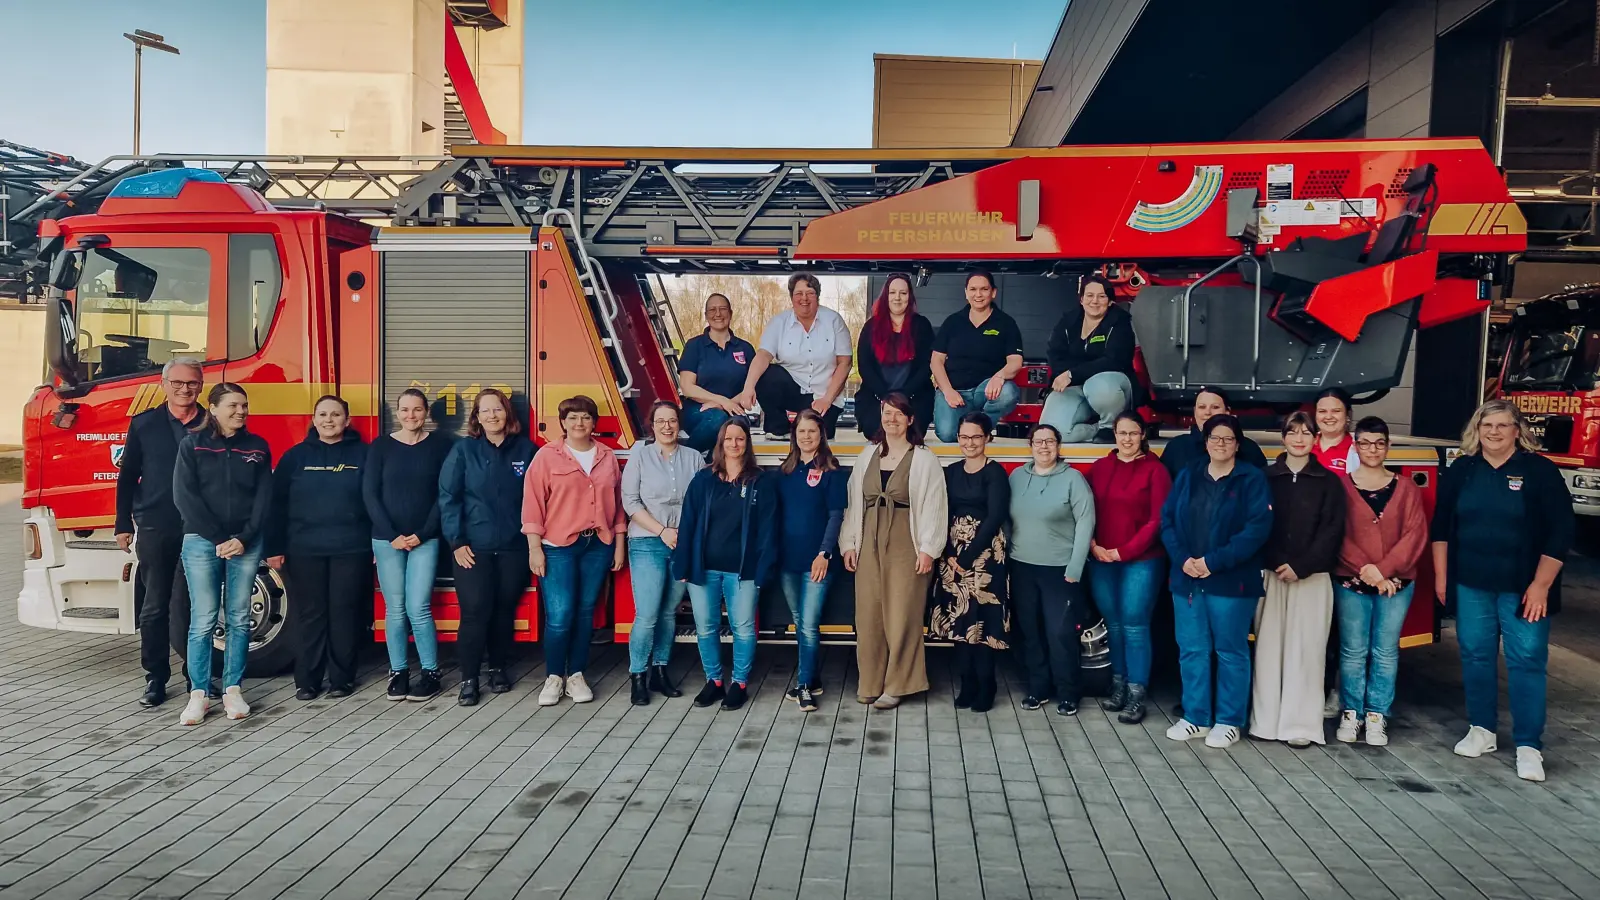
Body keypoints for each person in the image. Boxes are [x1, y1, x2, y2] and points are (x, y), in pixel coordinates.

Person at [1431, 399, 1573, 782]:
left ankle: (1529, 746)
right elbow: (1441, 528)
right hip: (1471, 584)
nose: (1493, 432)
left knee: (1526, 660)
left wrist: (1541, 585)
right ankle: (1482, 730)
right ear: (1476, 430)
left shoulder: (1540, 471)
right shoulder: (1462, 469)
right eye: (1486, 425)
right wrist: (1442, 578)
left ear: (1517, 430)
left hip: (1524, 590)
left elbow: (1561, 533)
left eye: (1502, 425)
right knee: (1475, 655)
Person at [1160, 413, 1273, 749]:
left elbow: (1256, 530)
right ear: (1205, 442)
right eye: (1214, 438)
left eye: (1227, 438)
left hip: (1231, 582)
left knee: (1230, 651)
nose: (1220, 444)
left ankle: (1228, 720)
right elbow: (1168, 521)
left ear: (1238, 444)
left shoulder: (1251, 479)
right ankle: (1195, 717)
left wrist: (1212, 562)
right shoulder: (1188, 475)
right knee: (1191, 650)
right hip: (1187, 579)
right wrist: (1184, 560)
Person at [172, 383, 272, 726]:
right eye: (232, 405)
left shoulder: (257, 447)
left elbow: (263, 498)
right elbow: (184, 497)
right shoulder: (193, 444)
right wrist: (217, 538)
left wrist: (243, 538)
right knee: (203, 619)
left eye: (244, 405)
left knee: (239, 618)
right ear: (212, 408)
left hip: (246, 542)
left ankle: (233, 689)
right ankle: (198, 695)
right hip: (202, 541)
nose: (240, 411)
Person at [841, 392, 947, 709]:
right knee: (869, 612)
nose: (892, 419)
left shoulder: (924, 458)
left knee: (902, 613)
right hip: (869, 537)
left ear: (910, 419)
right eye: (887, 413)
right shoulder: (868, 455)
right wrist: (849, 543)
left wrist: (929, 548)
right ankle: (870, 682)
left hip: (906, 539)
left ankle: (899, 683)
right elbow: (853, 501)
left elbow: (934, 505)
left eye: (899, 414)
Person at [522, 394, 628, 708]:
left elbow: (618, 505)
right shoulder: (547, 456)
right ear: (563, 423)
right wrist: (534, 548)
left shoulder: (607, 456)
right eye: (572, 418)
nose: (579, 423)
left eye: (585, 417)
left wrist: (618, 544)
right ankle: (554, 677)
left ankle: (577, 675)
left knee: (585, 613)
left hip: (597, 544)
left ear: (594, 422)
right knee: (560, 615)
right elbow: (532, 503)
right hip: (557, 546)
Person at [266, 395, 372, 702]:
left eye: (335, 415)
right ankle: (308, 681)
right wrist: (274, 547)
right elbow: (276, 506)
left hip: (351, 548)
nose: (329, 420)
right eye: (323, 414)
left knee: (344, 614)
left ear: (347, 420)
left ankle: (341, 679)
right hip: (304, 550)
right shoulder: (295, 457)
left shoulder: (363, 455)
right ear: (313, 420)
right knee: (311, 615)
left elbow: (374, 501)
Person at [1251, 412, 1345, 747]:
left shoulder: (1329, 482)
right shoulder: (1264, 478)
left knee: (1306, 652)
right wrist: (1277, 562)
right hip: (1271, 575)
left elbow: (1332, 531)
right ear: (1283, 438)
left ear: (1315, 439)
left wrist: (1301, 566)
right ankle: (1266, 723)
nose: (1300, 438)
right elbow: (1257, 524)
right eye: (1293, 432)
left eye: (1307, 433)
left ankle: (1300, 727)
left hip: (1313, 578)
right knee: (1269, 649)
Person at [114, 357, 205, 708]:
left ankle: (195, 678)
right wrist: (123, 523)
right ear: (164, 384)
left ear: (201, 385)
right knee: (154, 607)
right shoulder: (144, 424)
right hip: (155, 524)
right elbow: (127, 476)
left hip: (199, 528)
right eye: (178, 383)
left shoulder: (210, 425)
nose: (185, 390)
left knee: (192, 605)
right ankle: (155, 678)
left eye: (192, 384)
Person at [672, 418, 779, 711]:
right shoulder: (702, 480)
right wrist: (682, 564)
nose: (734, 444)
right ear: (720, 443)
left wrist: (763, 569)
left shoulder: (761, 481)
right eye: (728, 439)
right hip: (703, 569)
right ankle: (714, 681)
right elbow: (689, 523)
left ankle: (740, 683)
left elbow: (769, 529)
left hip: (743, 572)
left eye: (740, 438)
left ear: (747, 443)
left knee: (742, 628)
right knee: (705, 627)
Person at [1334, 416, 1427, 747]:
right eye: (1365, 443)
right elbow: (1338, 535)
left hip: (1396, 585)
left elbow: (1415, 535)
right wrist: (1367, 570)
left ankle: (1376, 714)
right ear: (1355, 446)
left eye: (1379, 443)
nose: (1372, 449)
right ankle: (1351, 712)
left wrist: (1384, 571)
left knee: (1385, 651)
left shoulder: (1406, 489)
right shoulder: (1341, 487)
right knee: (1353, 650)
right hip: (1351, 583)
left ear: (1388, 446)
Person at [439, 388, 536, 707]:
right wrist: (457, 541)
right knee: (475, 612)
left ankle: (498, 668)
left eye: (497, 409)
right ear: (476, 418)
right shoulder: (464, 451)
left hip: (513, 547)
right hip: (473, 548)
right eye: (485, 411)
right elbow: (448, 497)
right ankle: (469, 679)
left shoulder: (527, 450)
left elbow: (538, 499)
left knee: (503, 611)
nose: (492, 415)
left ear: (508, 414)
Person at [364, 387, 452, 703]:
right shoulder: (381, 447)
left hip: (424, 540)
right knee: (396, 609)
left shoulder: (440, 447)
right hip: (387, 541)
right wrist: (392, 536)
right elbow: (370, 495)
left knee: (418, 607)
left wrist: (424, 532)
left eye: (417, 409)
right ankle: (398, 671)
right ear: (397, 413)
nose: (410, 415)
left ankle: (430, 672)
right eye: (404, 410)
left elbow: (444, 495)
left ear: (426, 412)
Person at [1086, 411, 1171, 725]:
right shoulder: (1100, 468)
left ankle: (1137, 693)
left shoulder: (1155, 470)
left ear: (1143, 434)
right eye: (1121, 433)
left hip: (1142, 561)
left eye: (1133, 433)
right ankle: (1119, 685)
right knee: (1115, 624)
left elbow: (1157, 520)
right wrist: (1094, 545)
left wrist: (1124, 551)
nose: (1127, 439)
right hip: (1101, 559)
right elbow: (1084, 510)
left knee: (1135, 625)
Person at [1008, 423, 1096, 717]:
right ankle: (1038, 688)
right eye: (1038, 441)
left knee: (1059, 633)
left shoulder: (1074, 480)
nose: (1043, 446)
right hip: (1022, 566)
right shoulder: (1018, 477)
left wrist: (1075, 566)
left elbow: (1085, 523)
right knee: (1030, 632)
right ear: (1030, 446)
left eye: (1050, 441)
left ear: (1059, 446)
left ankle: (1068, 692)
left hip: (1060, 570)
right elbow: (1008, 519)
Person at [621, 400, 704, 705]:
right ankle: (638, 677)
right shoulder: (639, 457)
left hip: (683, 543)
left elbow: (699, 502)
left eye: (672, 420)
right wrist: (662, 530)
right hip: (647, 542)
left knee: (669, 612)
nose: (667, 426)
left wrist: (684, 534)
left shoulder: (694, 458)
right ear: (651, 425)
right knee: (647, 614)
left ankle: (660, 671)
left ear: (678, 424)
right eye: (660, 421)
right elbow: (630, 503)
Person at [929, 412, 1010, 713]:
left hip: (985, 556)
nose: (969, 442)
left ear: (988, 438)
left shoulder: (995, 473)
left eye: (976, 436)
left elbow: (994, 518)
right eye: (964, 437)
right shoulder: (950, 472)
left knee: (983, 622)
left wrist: (966, 556)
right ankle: (967, 683)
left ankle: (987, 684)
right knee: (959, 620)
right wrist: (949, 553)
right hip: (952, 555)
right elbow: (941, 511)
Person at [775, 409, 848, 712]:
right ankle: (813, 677)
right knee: (799, 622)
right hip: (787, 562)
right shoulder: (785, 471)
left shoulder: (831, 471)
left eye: (812, 431)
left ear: (821, 435)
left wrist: (824, 554)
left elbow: (836, 516)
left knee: (808, 626)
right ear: (794, 435)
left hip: (816, 562)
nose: (806, 437)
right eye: (801, 431)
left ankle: (804, 687)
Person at [735, 273, 852, 438]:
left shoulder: (834, 320)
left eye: (810, 293)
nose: (804, 298)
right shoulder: (778, 322)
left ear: (817, 296)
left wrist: (827, 399)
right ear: (791, 297)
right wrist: (748, 388)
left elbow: (845, 363)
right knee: (767, 373)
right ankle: (778, 428)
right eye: (799, 293)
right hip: (792, 389)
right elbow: (762, 355)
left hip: (824, 395)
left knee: (818, 437)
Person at [930, 271, 1024, 443]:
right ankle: (975, 427)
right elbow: (936, 361)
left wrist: (999, 377)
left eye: (984, 289)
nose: (978, 294)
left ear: (993, 292)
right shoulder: (952, 322)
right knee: (947, 435)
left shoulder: (1006, 323)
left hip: (986, 391)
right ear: (966, 292)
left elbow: (1015, 361)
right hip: (956, 393)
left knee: (1008, 392)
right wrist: (947, 391)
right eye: (973, 289)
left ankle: (981, 427)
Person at [1041, 275, 1136, 443]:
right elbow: (1055, 354)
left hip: (1110, 384)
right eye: (1090, 295)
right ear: (1082, 299)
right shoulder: (1068, 321)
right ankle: (1098, 429)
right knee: (1053, 433)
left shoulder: (1120, 322)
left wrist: (1072, 374)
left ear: (1110, 301)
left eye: (1102, 296)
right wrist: (1066, 376)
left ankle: (1109, 426)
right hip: (1075, 385)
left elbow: (1113, 360)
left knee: (1098, 384)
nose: (1095, 301)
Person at [855, 273, 935, 440]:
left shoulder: (922, 325)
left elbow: (926, 366)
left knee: (912, 435)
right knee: (874, 432)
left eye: (903, 293)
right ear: (886, 296)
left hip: (913, 395)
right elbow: (865, 366)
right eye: (892, 293)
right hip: (878, 394)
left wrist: (903, 397)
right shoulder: (871, 327)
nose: (897, 298)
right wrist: (886, 398)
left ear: (910, 296)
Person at [677, 293, 757, 452]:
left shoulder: (745, 348)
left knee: (737, 429)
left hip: (734, 409)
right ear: (706, 315)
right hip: (698, 410)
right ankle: (684, 461)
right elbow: (687, 387)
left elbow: (752, 386)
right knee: (717, 419)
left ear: (731, 313)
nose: (718, 314)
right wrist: (722, 402)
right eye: (712, 310)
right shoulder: (694, 346)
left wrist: (725, 404)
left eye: (723, 309)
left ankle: (712, 469)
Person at [1159, 388, 1268, 478]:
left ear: (1227, 411)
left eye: (1215, 407)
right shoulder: (1176, 447)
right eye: (1202, 407)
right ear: (1194, 411)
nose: (1207, 412)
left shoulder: (1249, 448)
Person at [1311, 388, 1360, 475]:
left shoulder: (1358, 449)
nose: (1329, 416)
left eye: (1336, 411)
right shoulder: (1303, 444)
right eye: (1322, 411)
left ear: (1347, 415)